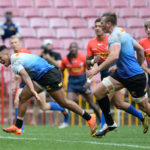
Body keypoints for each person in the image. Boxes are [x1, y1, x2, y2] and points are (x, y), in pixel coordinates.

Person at [0, 45, 96, 135]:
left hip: (49, 75)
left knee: (63, 102)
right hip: (40, 77)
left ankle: (89, 117)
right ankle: (18, 126)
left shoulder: (15, 62)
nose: (0, 61)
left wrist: (33, 91)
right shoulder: (15, 59)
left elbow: (25, 75)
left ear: (7, 54)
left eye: (1, 58)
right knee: (23, 97)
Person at [86, 12, 150, 137]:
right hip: (121, 75)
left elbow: (114, 55)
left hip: (135, 77)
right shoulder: (122, 32)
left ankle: (140, 117)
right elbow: (140, 50)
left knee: (144, 107)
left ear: (108, 24)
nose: (101, 26)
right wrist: (125, 65)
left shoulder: (114, 36)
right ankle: (109, 124)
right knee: (98, 92)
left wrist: (95, 70)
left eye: (102, 23)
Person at [10, 35, 70, 127]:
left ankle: (62, 109)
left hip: (35, 80)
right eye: (12, 43)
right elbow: (18, 74)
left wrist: (17, 77)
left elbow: (24, 70)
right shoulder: (13, 56)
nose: (14, 45)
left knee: (43, 106)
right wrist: (15, 84)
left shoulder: (24, 52)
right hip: (25, 81)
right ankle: (19, 127)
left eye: (15, 42)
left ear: (20, 43)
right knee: (17, 101)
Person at [60, 42, 101, 128]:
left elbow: (90, 69)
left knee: (92, 103)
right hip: (72, 83)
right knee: (67, 103)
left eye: (74, 47)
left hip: (83, 83)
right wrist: (62, 82)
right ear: (69, 49)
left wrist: (88, 82)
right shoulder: (65, 60)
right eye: (71, 47)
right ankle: (65, 122)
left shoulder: (82, 57)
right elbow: (61, 71)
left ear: (77, 49)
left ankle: (101, 121)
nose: (73, 49)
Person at [139, 21, 150, 92]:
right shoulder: (142, 43)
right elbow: (140, 62)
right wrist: (148, 70)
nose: (148, 30)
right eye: (147, 28)